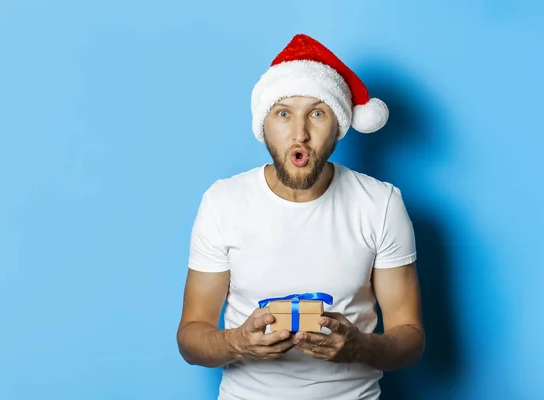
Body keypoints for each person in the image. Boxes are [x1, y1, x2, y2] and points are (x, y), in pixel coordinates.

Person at [176, 33, 425, 400]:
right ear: (264, 126)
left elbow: (411, 338)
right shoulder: (223, 203)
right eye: (283, 114)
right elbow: (190, 338)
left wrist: (358, 348)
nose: (300, 134)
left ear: (339, 125)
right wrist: (238, 341)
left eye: (317, 113)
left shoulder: (380, 204)